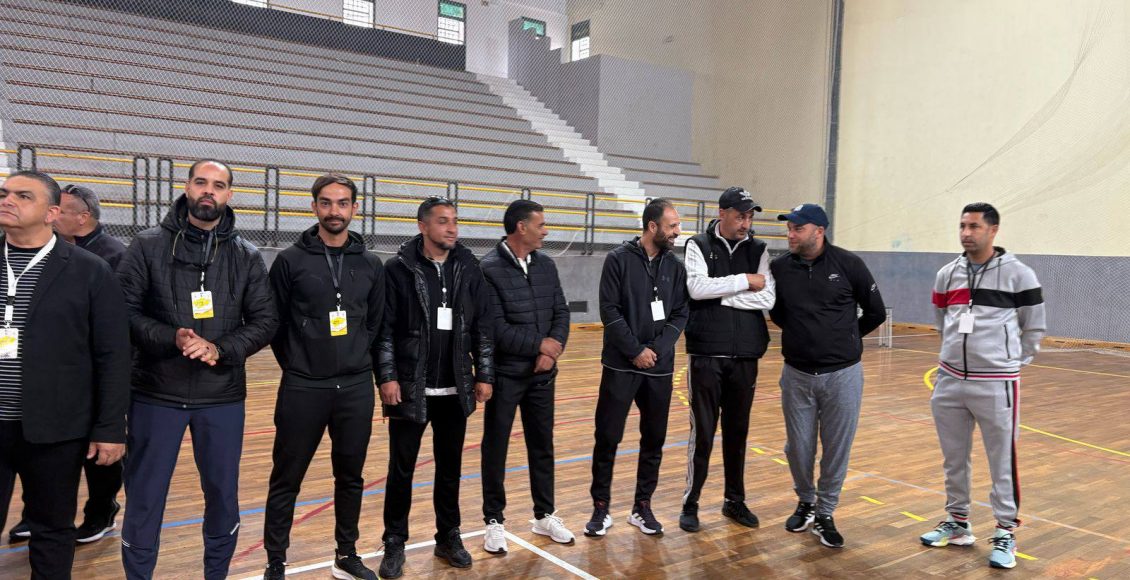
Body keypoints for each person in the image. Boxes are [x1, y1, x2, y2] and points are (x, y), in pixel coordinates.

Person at [116, 159, 278, 579]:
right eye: (201, 182)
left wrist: (219, 349)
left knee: (222, 496)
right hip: (155, 393)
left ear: (229, 195)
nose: (209, 191)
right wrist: (171, 337)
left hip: (221, 397)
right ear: (187, 187)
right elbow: (123, 312)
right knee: (145, 497)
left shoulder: (247, 256)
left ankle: (216, 574)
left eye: (218, 185)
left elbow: (265, 321)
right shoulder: (146, 245)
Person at [0, 171, 130, 578]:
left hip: (56, 428)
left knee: (53, 528)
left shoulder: (90, 270)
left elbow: (113, 354)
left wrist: (110, 427)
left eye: (23, 196)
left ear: (52, 213)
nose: (7, 200)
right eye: (4, 193)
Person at [262, 174, 385, 580]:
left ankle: (346, 555)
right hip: (304, 386)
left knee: (350, 476)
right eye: (327, 203)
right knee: (287, 478)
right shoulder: (290, 261)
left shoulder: (370, 264)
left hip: (355, 387)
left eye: (343, 203)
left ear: (354, 208)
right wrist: (300, 363)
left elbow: (376, 322)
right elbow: (275, 323)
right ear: (314, 207)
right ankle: (275, 561)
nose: (335, 211)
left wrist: (356, 359)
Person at [919, 202, 1045, 570]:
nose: (966, 233)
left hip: (996, 383)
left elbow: (1034, 325)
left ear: (993, 230)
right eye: (962, 225)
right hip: (949, 380)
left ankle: (1005, 531)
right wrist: (952, 355)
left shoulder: (1019, 274)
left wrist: (1010, 362)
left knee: (1001, 461)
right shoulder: (947, 274)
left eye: (974, 226)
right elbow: (942, 318)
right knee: (953, 459)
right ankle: (958, 522)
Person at [376, 197, 494, 579]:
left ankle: (448, 536)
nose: (452, 228)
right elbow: (385, 330)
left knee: (450, 469)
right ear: (422, 226)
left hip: (455, 387)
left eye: (455, 220)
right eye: (443, 221)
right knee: (401, 471)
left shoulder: (469, 267)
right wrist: (388, 377)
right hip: (411, 387)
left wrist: (484, 374)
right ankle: (394, 541)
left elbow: (483, 326)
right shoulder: (397, 269)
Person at [770, 203, 886, 549]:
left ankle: (825, 512)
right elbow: (778, 314)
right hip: (797, 374)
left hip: (843, 375)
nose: (790, 234)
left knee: (836, 449)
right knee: (798, 447)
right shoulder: (780, 268)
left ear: (818, 231)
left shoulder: (849, 264)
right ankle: (806, 500)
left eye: (798, 228)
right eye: (789, 228)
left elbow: (875, 312)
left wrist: (845, 338)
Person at [586, 198, 689, 538]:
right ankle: (601, 507)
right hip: (621, 366)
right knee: (607, 437)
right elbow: (609, 310)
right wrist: (635, 351)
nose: (677, 232)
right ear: (652, 226)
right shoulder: (618, 260)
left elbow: (680, 314)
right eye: (672, 226)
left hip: (659, 369)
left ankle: (642, 506)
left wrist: (655, 351)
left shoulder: (676, 267)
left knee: (654, 439)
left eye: (677, 225)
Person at [479, 200, 573, 555]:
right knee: (496, 447)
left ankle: (544, 515)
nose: (545, 231)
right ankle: (494, 520)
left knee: (542, 445)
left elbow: (561, 312)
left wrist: (551, 350)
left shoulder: (546, 264)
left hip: (543, 375)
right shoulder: (488, 268)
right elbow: (495, 327)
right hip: (506, 375)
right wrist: (539, 345)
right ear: (521, 227)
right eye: (541, 224)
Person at [678, 187, 776, 533]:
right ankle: (690, 503)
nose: (745, 223)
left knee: (738, 433)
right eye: (740, 216)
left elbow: (768, 297)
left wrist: (721, 295)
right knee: (703, 434)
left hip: (746, 355)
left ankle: (734, 500)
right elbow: (696, 288)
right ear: (722, 214)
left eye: (749, 216)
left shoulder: (759, 249)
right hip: (706, 354)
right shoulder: (697, 245)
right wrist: (744, 281)